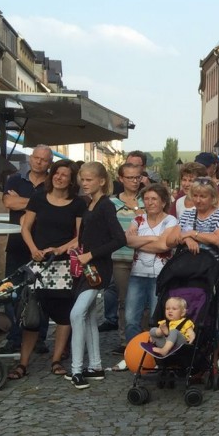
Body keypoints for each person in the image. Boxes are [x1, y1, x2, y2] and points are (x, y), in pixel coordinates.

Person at [9, 159, 85, 380]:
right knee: (32, 315)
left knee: (63, 315)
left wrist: (61, 249)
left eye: (64, 175)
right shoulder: (39, 198)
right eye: (57, 174)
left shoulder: (77, 204)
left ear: (72, 180)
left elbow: (80, 237)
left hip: (61, 266)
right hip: (38, 263)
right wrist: (33, 249)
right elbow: (26, 228)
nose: (59, 177)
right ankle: (23, 363)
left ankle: (56, 359)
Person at [69, 162, 125, 390]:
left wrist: (90, 254)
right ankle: (95, 366)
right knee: (89, 316)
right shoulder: (89, 205)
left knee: (77, 314)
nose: (84, 183)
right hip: (86, 268)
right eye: (82, 179)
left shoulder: (106, 206)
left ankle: (76, 370)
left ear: (102, 181)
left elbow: (119, 239)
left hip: (98, 270)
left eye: (89, 179)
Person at [116, 183, 177, 369]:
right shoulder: (138, 220)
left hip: (160, 276)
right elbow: (127, 240)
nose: (150, 203)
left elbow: (164, 246)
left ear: (163, 202)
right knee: (131, 316)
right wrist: (154, 239)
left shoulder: (170, 221)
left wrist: (140, 243)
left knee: (155, 318)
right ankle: (132, 354)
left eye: (154, 199)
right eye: (147, 199)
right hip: (137, 274)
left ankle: (154, 356)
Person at [2, 144, 53, 352]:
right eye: (36, 157)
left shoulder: (53, 182)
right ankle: (15, 338)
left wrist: (23, 201)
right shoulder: (15, 179)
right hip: (16, 245)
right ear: (31, 158)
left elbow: (52, 206)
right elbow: (9, 203)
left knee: (40, 294)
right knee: (11, 294)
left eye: (43, 159)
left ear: (49, 163)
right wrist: (38, 202)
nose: (38, 162)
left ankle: (38, 338)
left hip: (42, 246)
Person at [102, 161, 145, 336]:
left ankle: (143, 335)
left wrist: (136, 208)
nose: (134, 181)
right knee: (124, 299)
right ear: (121, 178)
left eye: (137, 177)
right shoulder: (111, 202)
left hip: (144, 255)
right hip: (120, 257)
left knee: (143, 300)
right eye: (130, 177)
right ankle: (125, 337)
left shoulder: (147, 199)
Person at [164, 177, 219, 264]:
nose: (198, 200)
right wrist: (186, 239)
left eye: (203, 196)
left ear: (213, 197)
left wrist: (192, 233)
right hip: (188, 269)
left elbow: (217, 239)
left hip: (211, 270)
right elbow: (169, 241)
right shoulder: (187, 214)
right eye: (195, 196)